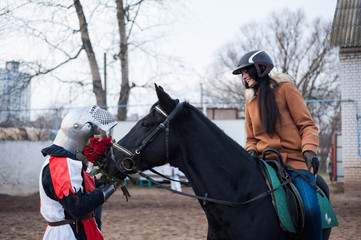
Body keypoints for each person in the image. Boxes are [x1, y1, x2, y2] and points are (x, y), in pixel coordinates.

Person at [232, 50, 322, 239]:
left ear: (261, 68)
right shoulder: (249, 103)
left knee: (311, 209)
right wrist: (250, 152)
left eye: (246, 71)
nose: (244, 76)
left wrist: (309, 151)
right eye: (242, 74)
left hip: (295, 164)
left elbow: (308, 125)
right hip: (265, 164)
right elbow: (251, 140)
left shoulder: (286, 89)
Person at [39, 105, 121, 240]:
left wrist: (116, 176)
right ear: (77, 133)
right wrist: (112, 187)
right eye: (91, 137)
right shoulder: (60, 164)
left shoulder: (70, 162)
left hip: (78, 229)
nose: (92, 143)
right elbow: (77, 207)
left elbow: (91, 186)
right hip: (67, 234)